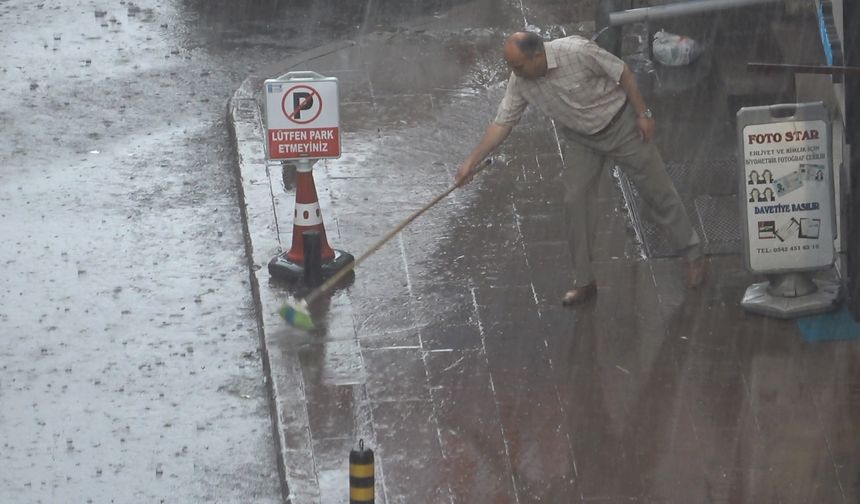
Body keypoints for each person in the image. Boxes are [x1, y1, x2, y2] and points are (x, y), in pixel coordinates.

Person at [455, 31, 705, 306]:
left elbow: (622, 72)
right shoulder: (521, 80)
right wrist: (471, 162)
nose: (514, 72)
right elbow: (502, 122)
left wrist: (643, 114)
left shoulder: (576, 51)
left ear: (537, 55)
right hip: (580, 139)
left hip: (620, 125)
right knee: (575, 201)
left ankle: (693, 253)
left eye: (518, 65)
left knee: (658, 192)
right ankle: (584, 281)